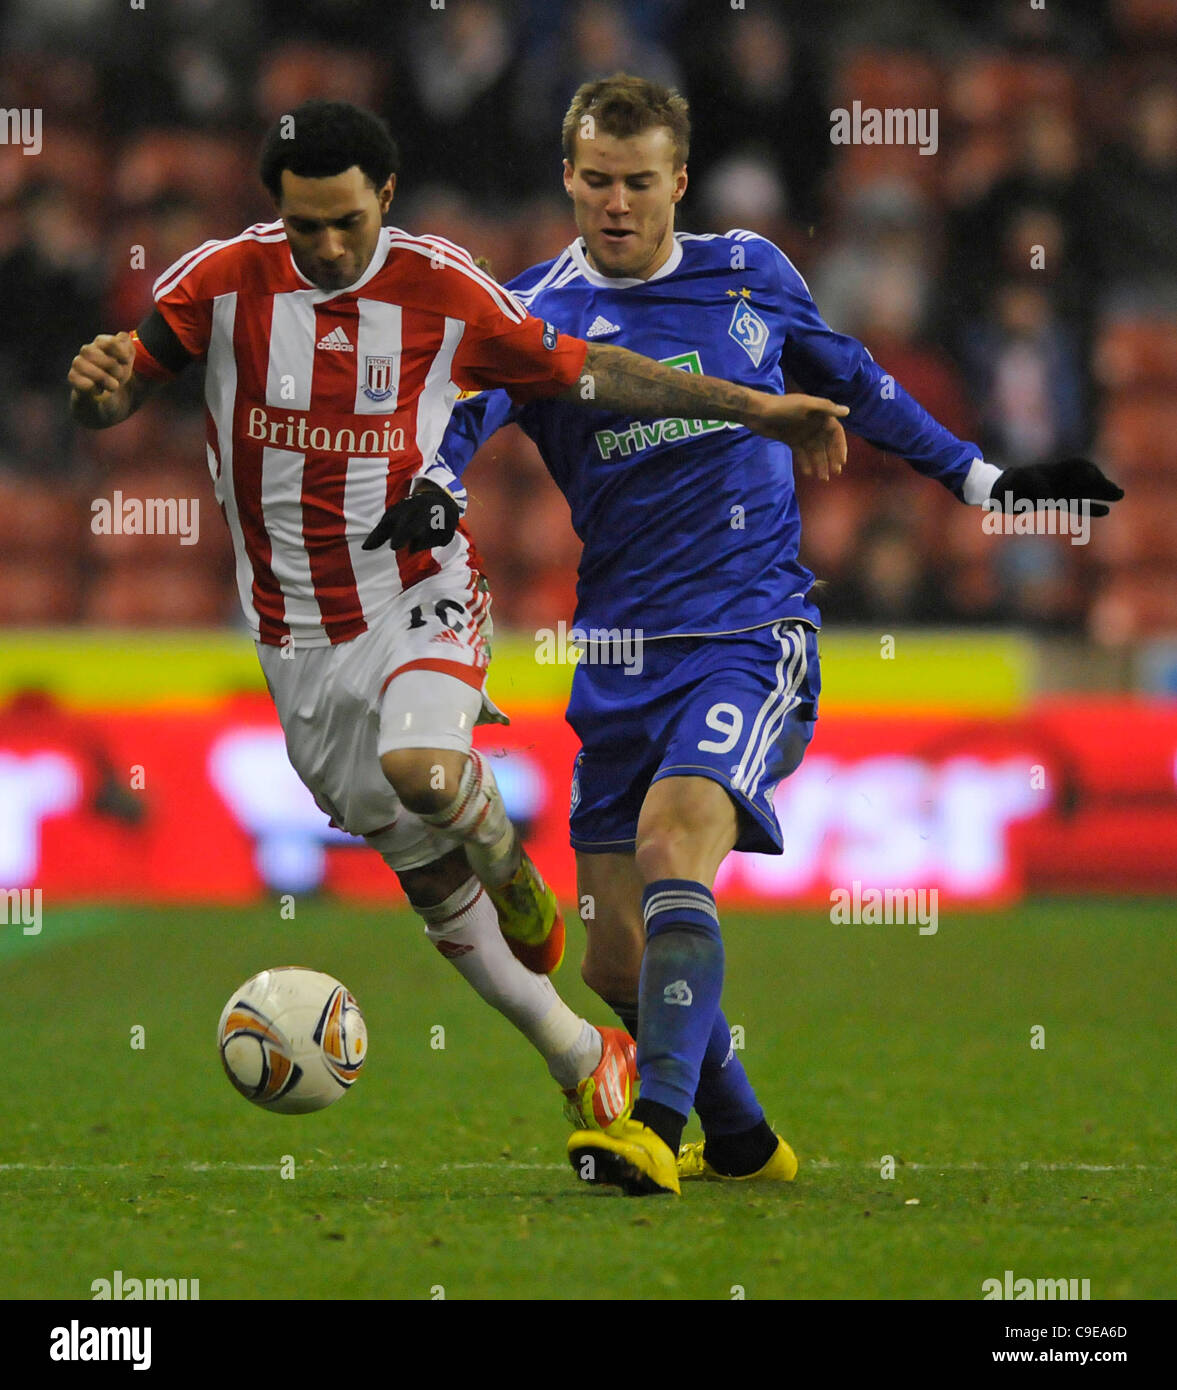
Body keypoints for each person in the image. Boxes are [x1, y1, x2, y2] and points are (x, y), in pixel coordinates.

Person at [67, 99, 849, 1139]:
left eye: (349, 220)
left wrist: (755, 407)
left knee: (423, 771)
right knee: (423, 873)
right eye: (307, 227)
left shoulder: (441, 287)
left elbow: (589, 370)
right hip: (294, 636)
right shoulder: (219, 282)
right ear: (277, 214)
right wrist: (100, 390)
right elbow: (119, 390)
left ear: (384, 199)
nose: (331, 246)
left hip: (416, 588)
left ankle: (510, 862)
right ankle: (577, 1054)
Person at [412, 74, 1123, 1195]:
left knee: (670, 847)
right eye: (596, 180)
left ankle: (653, 1126)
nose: (615, 202)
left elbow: (865, 389)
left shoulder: (748, 271)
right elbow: (463, 422)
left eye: (639, 182)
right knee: (609, 951)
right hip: (618, 654)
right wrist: (432, 489)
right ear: (568, 178)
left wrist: (992, 484)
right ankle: (741, 1137)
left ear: (677, 183)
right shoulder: (530, 312)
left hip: (751, 628)